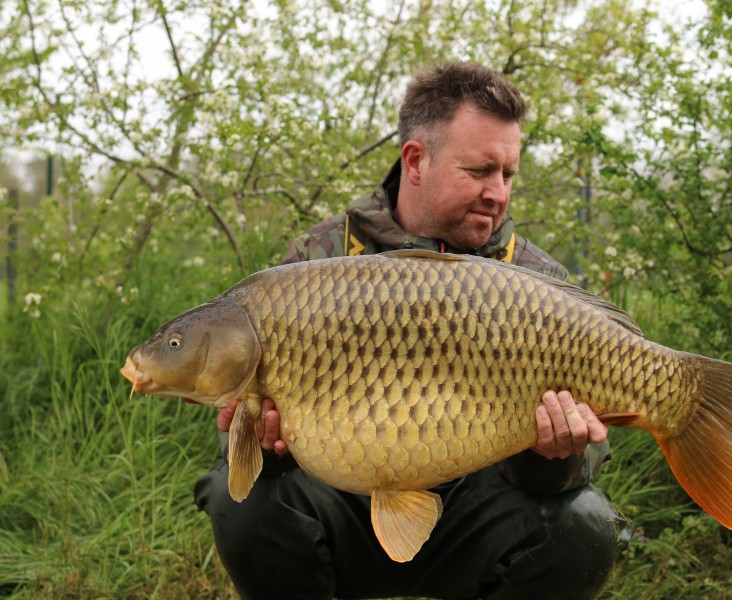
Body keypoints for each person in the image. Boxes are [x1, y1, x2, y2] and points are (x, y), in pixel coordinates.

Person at [194, 61, 632, 600]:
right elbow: (241, 425)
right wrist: (264, 442)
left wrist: (555, 456)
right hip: (344, 504)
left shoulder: (535, 281)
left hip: (478, 512)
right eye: (479, 171)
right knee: (239, 499)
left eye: (508, 174)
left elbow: (584, 465)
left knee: (584, 523)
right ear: (416, 160)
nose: (498, 193)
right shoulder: (322, 258)